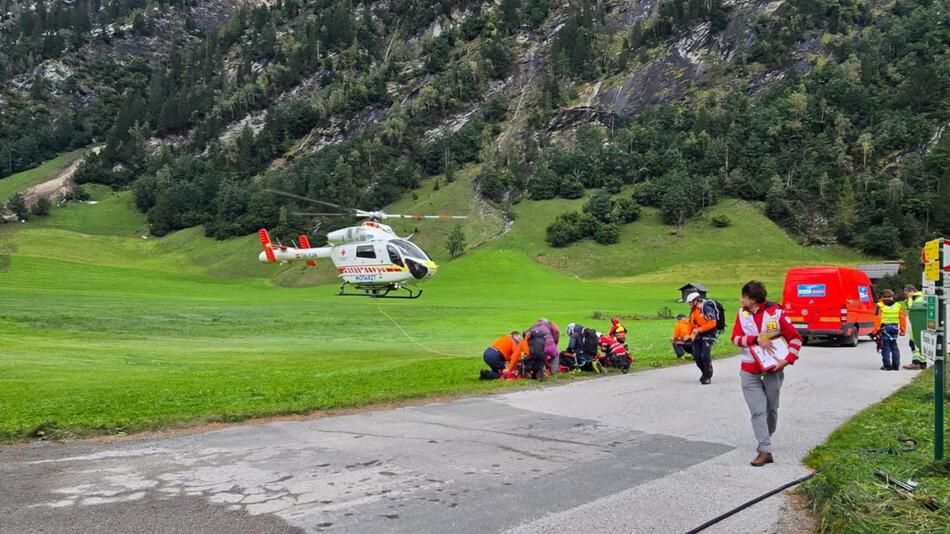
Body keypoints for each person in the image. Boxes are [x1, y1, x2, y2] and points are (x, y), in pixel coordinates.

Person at [731, 280, 803, 467]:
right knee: (757, 411)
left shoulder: (776, 313)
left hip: (773, 369)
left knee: (771, 408)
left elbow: (795, 338)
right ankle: (765, 449)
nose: (741, 299)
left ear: (752, 299)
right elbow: (736, 339)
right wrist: (756, 339)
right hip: (749, 369)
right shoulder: (742, 314)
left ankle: (766, 436)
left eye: (743, 297)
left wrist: (786, 360)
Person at [687, 292, 719, 384]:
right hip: (698, 335)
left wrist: (699, 330)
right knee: (696, 356)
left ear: (696, 301)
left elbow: (713, 323)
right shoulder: (693, 311)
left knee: (705, 355)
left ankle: (707, 376)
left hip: (709, 334)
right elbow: (692, 325)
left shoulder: (706, 308)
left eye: (690, 302)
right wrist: (689, 335)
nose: (689, 305)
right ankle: (704, 373)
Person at [874, 289, 906, 371]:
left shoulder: (880, 305)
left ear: (882, 297)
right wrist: (903, 330)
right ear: (892, 296)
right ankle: (896, 365)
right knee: (894, 346)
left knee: (885, 347)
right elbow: (902, 319)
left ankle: (887, 366)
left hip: (884, 328)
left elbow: (877, 319)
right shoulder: (898, 306)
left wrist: (876, 331)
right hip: (894, 328)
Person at [902, 285, 926, 370]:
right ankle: (923, 363)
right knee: (922, 343)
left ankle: (916, 363)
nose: (906, 295)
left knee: (913, 343)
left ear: (911, 291)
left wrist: (908, 300)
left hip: (917, 324)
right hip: (922, 323)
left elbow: (912, 310)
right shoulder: (921, 296)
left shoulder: (915, 298)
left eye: (906, 293)